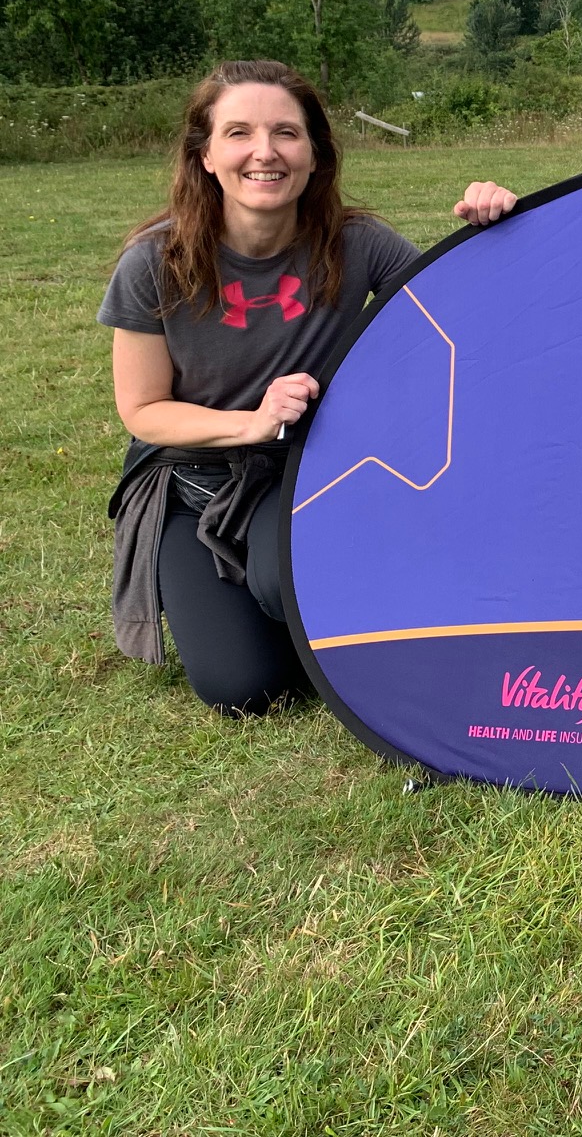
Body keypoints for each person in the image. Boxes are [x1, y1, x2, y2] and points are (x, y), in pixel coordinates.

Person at [100, 60, 520, 715]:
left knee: (284, 589)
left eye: (286, 133)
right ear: (205, 155)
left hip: (307, 472)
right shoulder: (153, 262)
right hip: (189, 484)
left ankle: (300, 588)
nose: (264, 152)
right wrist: (250, 422)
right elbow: (143, 410)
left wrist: (491, 235)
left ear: (315, 153)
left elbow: (463, 317)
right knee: (243, 690)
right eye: (238, 133)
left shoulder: (358, 244)